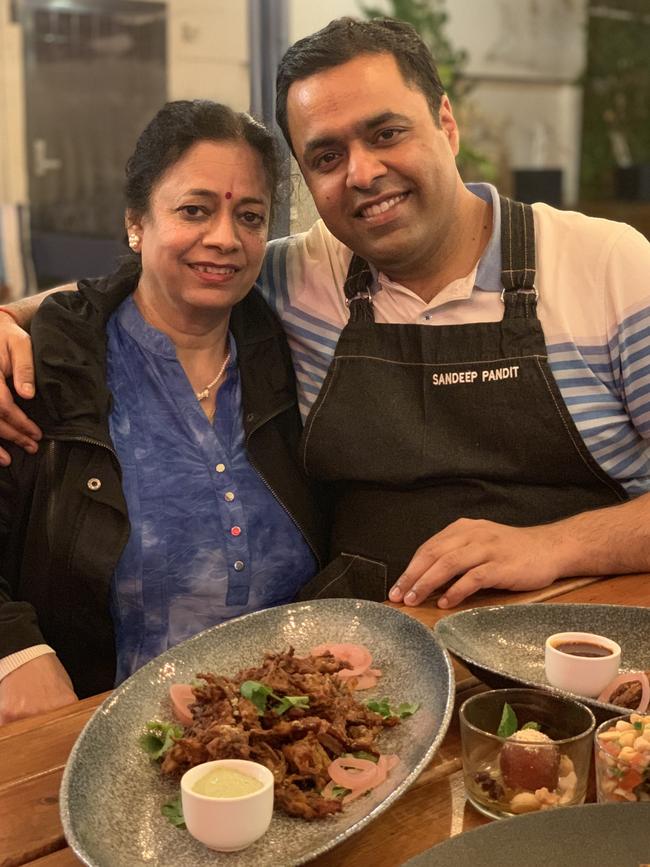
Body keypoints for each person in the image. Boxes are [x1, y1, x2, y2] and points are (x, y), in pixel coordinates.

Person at [2, 17, 650, 614]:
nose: (363, 172)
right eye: (327, 156)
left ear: (446, 124)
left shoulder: (607, 269)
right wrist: (17, 318)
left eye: (386, 132)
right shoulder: (297, 276)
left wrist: (552, 546)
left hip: (581, 649)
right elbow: (163, 280)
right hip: (376, 669)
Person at [0, 100, 326, 724]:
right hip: (96, 738)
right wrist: (14, 651)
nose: (225, 238)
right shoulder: (50, 368)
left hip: (291, 729)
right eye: (194, 210)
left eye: (249, 216)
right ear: (136, 224)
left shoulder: (294, 349)